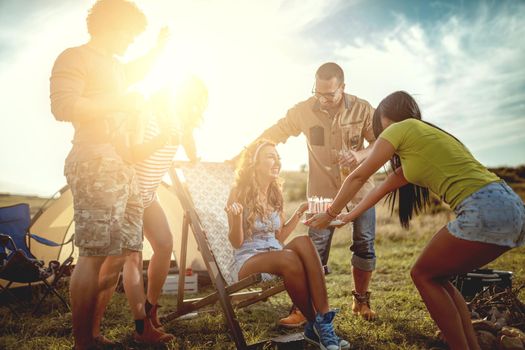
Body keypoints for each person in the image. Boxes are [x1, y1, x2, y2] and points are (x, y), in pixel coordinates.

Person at [307, 91, 525, 350]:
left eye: (381, 129)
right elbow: (380, 189)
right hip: (510, 205)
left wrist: (330, 212)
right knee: (437, 276)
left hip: (483, 207)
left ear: (389, 120)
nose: (381, 138)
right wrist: (346, 217)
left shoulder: (402, 128)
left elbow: (357, 176)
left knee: (422, 274)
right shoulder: (422, 143)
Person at [49, 0, 173, 348]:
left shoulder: (117, 68)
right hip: (95, 164)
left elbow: (139, 69)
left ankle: (96, 334)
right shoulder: (75, 57)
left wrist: (159, 49)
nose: (130, 41)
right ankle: (82, 343)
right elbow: (62, 106)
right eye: (128, 33)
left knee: (119, 255)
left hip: (125, 170)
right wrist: (119, 103)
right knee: (93, 255)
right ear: (108, 25)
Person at [248, 62, 378, 325]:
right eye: (318, 92)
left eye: (329, 94)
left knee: (364, 244)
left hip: (360, 191)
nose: (323, 99)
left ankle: (361, 301)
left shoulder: (363, 108)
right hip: (321, 196)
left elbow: (380, 142)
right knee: (314, 252)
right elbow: (276, 131)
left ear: (343, 88)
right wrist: (246, 152)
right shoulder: (304, 110)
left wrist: (359, 154)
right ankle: (302, 309)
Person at [226, 139, 350, 350]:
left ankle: (322, 322)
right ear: (255, 163)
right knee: (289, 257)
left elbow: (279, 237)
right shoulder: (239, 193)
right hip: (247, 258)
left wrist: (299, 212)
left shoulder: (275, 193)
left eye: (278, 157)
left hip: (274, 252)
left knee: (304, 241)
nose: (277, 162)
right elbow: (236, 242)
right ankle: (318, 326)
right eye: (270, 157)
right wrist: (236, 217)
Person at [122, 76, 208, 331]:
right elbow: (132, 151)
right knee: (133, 259)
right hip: (128, 194)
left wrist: (187, 132)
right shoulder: (147, 113)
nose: (194, 107)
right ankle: (142, 326)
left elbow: (192, 155)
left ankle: (151, 308)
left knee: (164, 244)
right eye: (192, 101)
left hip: (148, 194)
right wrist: (164, 136)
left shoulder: (182, 121)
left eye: (198, 104)